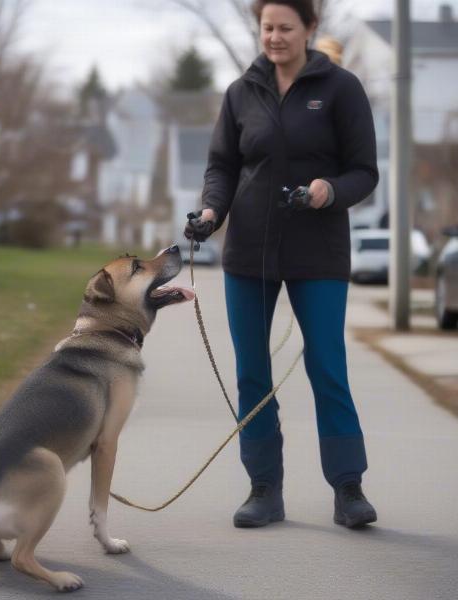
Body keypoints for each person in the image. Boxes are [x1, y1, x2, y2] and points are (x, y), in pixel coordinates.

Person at [184, 0, 379, 529]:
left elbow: (364, 172)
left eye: (285, 28)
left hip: (319, 252)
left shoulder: (341, 88)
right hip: (248, 252)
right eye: (267, 27)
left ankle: (348, 488)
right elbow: (222, 166)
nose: (274, 37)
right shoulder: (240, 93)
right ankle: (264, 488)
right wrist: (210, 211)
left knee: (326, 366)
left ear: (311, 29)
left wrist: (328, 191)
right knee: (252, 371)